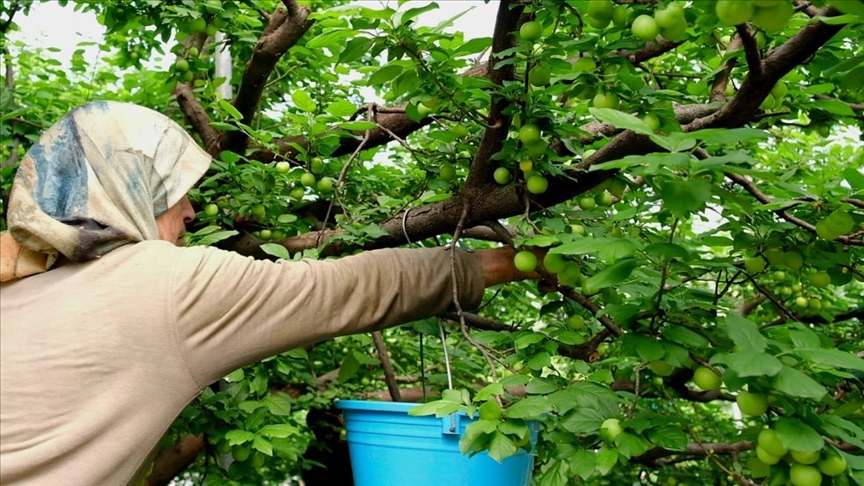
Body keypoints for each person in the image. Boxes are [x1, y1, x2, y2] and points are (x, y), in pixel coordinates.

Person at [0, 101, 534, 485]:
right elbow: (352, 289)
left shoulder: (19, 281)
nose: (191, 212)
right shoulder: (158, 283)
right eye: (177, 192)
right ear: (129, 189)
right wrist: (516, 262)